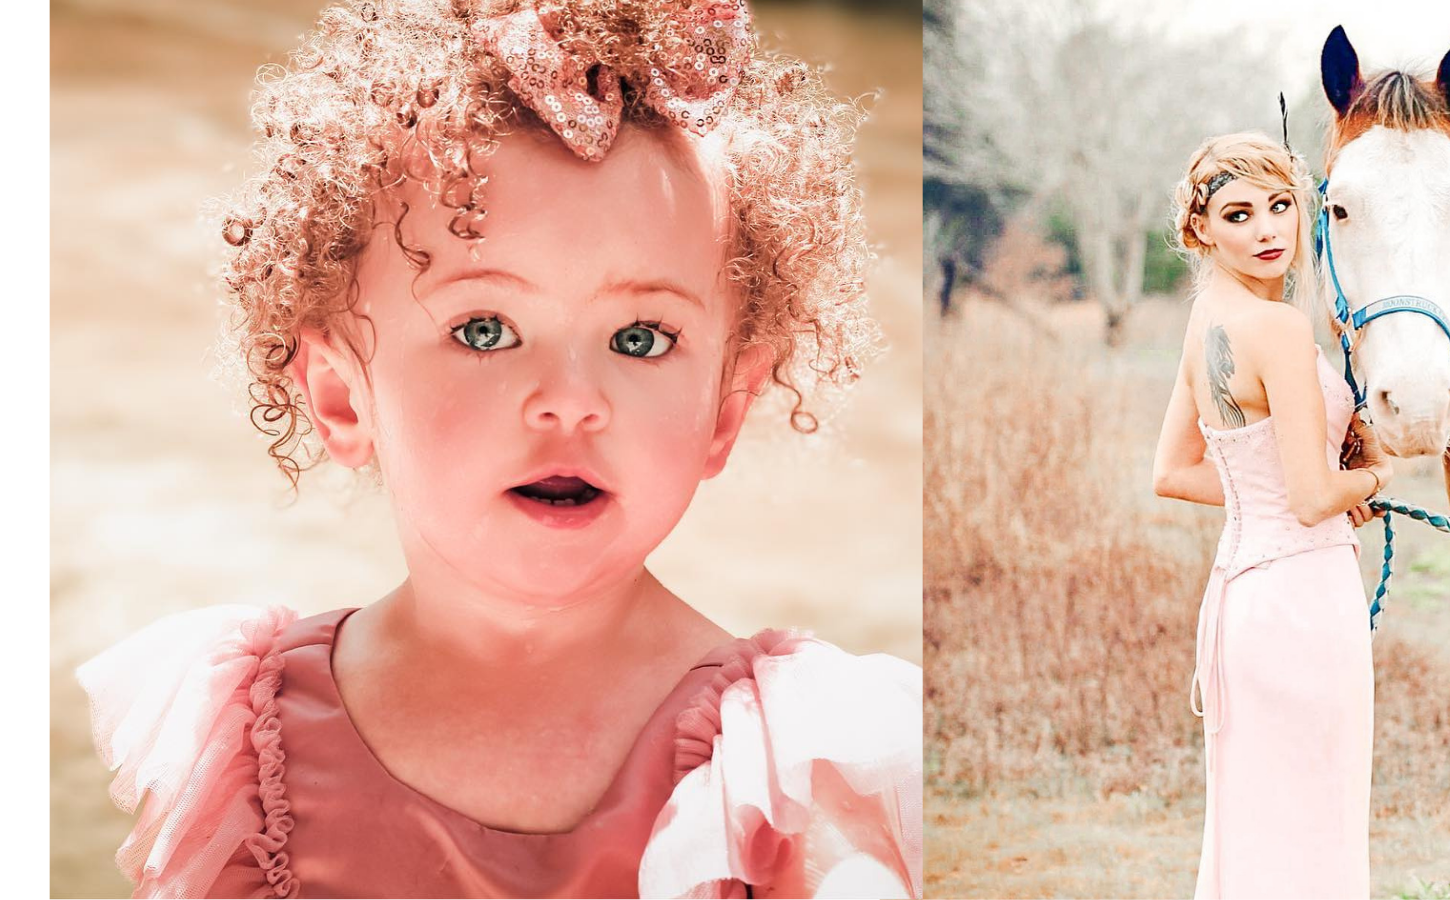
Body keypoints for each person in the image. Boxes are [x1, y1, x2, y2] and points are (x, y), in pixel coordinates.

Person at [74, 1, 918, 896]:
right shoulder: (243, 746)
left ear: (724, 409)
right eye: (485, 329)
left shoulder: (788, 763)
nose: (571, 402)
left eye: (640, 338)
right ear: (339, 396)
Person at [1151, 132, 1392, 899]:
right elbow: (1315, 497)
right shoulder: (1280, 329)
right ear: (1201, 232)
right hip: (1303, 601)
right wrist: (1373, 475)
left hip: (1244, 601)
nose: (1267, 230)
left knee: (1260, 824)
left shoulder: (1206, 321)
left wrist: (1288, 483)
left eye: (1281, 206)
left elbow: (1176, 472)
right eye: (1238, 214)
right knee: (1316, 823)